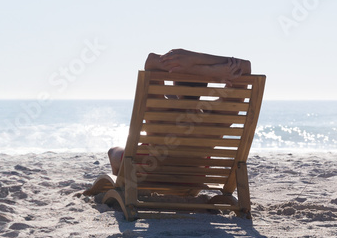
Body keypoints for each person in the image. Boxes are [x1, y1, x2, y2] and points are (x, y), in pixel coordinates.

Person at [106, 49, 251, 174]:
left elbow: (151, 61)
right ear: (205, 84)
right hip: (193, 180)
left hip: (150, 173)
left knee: (113, 151)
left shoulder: (159, 111)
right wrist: (207, 68)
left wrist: (193, 65)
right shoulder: (216, 120)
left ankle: (123, 187)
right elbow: (245, 67)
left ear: (174, 81)